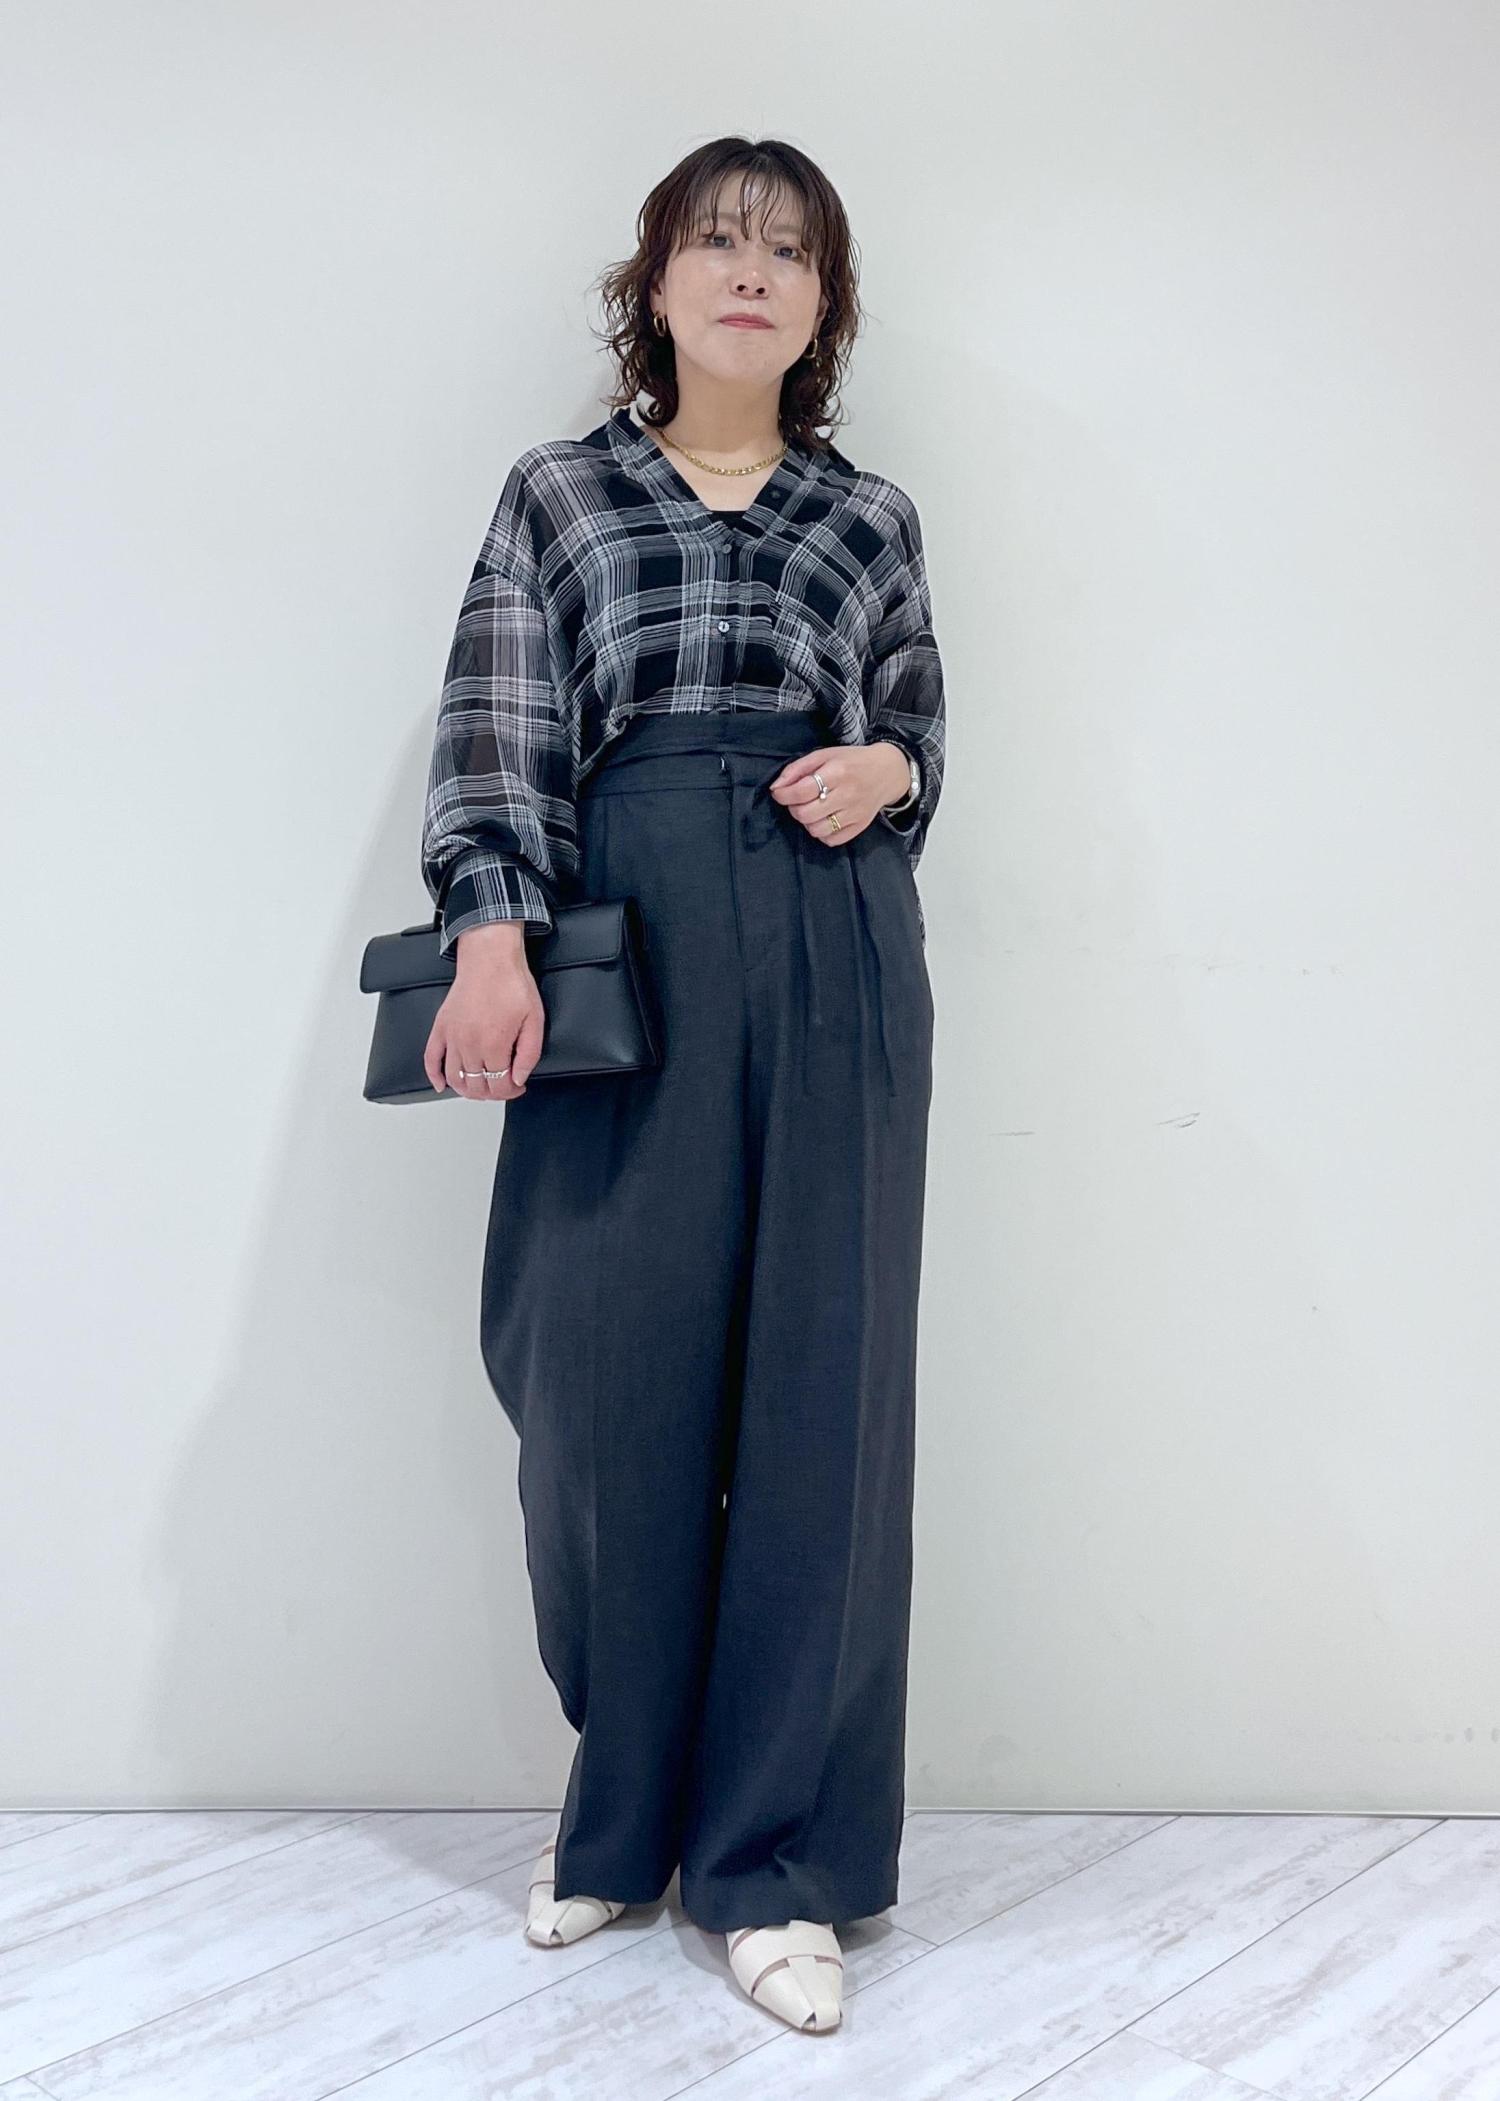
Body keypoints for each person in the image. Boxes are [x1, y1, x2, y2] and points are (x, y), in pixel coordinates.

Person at [418, 135, 945, 2035]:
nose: (750, 272)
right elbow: (498, 725)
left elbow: (917, 718)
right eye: (717, 241)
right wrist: (492, 934)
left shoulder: (866, 516)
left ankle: (770, 1859)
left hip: (830, 936)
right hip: (618, 938)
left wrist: (889, 771)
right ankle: (626, 1808)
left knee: (821, 1390)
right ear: (654, 283)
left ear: (823, 306)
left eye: (788, 252)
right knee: (598, 1377)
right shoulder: (561, 493)